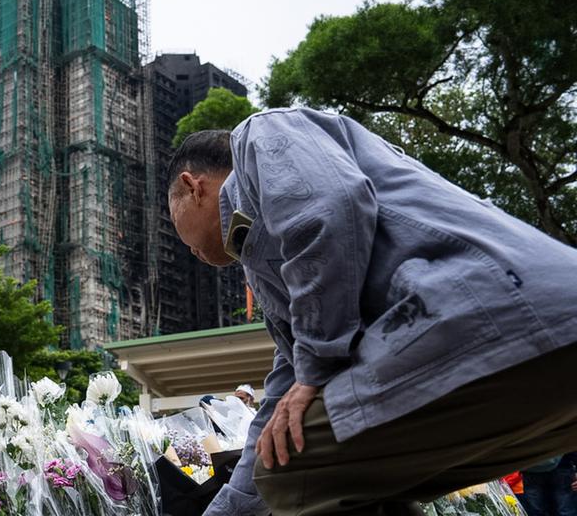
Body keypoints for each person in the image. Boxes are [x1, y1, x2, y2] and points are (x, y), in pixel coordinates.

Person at [166, 108, 577, 515]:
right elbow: (284, 399)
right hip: (534, 342)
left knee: (295, 471)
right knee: (347, 477)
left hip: (503, 313)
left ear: (192, 186)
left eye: (177, 225)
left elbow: (330, 206)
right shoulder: (269, 269)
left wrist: (316, 362)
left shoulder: (262, 133)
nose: (190, 251)